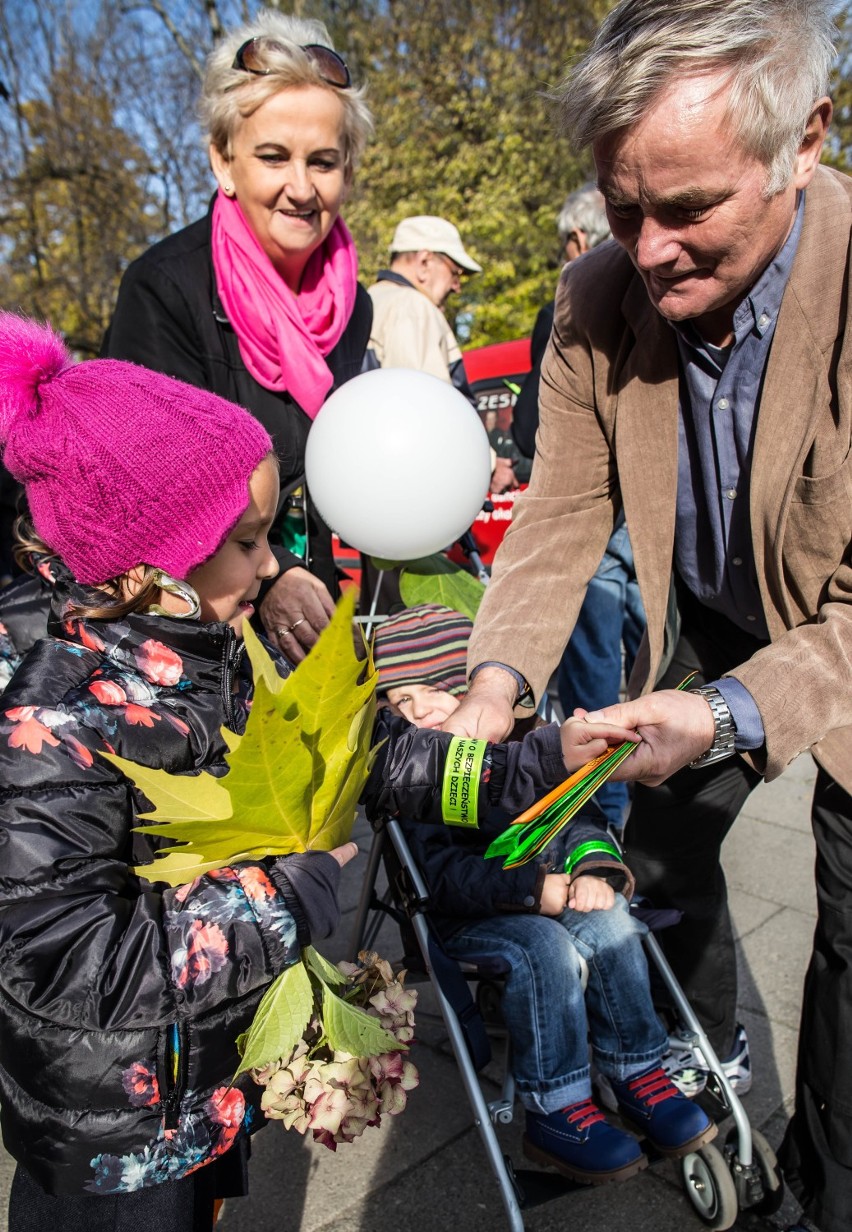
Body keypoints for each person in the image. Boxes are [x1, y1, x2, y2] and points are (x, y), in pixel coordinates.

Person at [0, 314, 639, 1229]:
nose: (273, 569)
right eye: (249, 543)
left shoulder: (225, 647)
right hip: (110, 1138)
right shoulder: (52, 718)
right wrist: (276, 905)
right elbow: (61, 959)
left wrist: (531, 760)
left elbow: (377, 758)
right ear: (148, 562)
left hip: (205, 1086)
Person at [449, 5, 850, 1230]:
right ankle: (694, 1056)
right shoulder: (593, 299)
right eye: (626, 209)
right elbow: (561, 515)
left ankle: (821, 1195)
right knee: (657, 854)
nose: (654, 250)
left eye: (690, 208)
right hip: (710, 619)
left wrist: (733, 714)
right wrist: (493, 688)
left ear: (805, 143)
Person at [371, 604, 715, 1184]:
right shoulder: (415, 781)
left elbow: (578, 821)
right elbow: (442, 877)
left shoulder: (525, 746)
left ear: (473, 693)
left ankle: (636, 1071)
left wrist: (593, 870)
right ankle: (556, 1105)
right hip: (464, 915)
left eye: (433, 689)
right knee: (542, 947)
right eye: (401, 700)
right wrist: (535, 891)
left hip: (548, 891)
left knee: (615, 923)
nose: (420, 709)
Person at [102, 10, 374, 666]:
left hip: (309, 597)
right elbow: (159, 494)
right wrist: (274, 575)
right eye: (273, 157)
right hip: (191, 623)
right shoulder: (164, 289)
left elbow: (341, 474)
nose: (302, 188)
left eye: (324, 162)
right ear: (223, 160)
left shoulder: (353, 305)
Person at [512, 183, 645, 832]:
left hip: (598, 521)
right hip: (643, 523)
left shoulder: (566, 308)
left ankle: (611, 821)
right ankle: (631, 817)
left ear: (576, 242)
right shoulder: (668, 307)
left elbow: (531, 432)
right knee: (654, 677)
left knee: (596, 689)